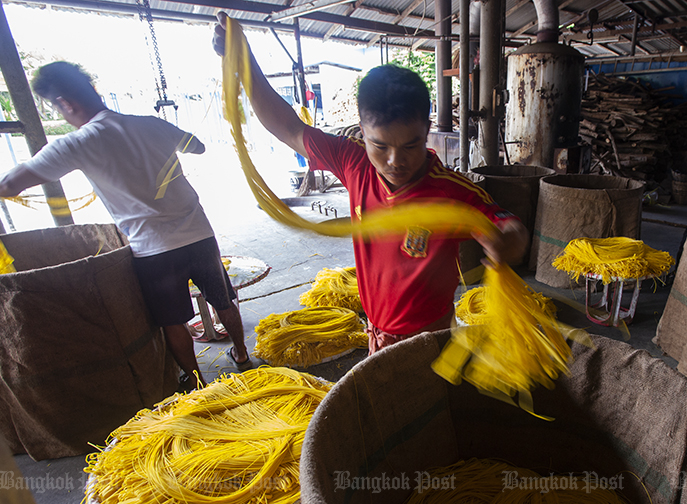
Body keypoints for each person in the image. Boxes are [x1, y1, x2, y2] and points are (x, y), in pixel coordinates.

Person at [212, 13, 527, 354]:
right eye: (381, 146)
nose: (396, 161)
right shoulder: (354, 162)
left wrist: (508, 241)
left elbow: (505, 223)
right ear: (362, 130)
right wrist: (244, 62)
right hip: (376, 334)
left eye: (411, 145)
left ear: (427, 130)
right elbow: (286, 127)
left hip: (431, 342)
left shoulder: (450, 193)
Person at [0, 61, 251, 390]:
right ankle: (241, 354)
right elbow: (197, 145)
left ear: (66, 104)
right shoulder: (150, 123)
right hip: (199, 234)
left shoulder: (76, 144)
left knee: (173, 322)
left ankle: (198, 385)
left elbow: (9, 184)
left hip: (153, 249)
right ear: (92, 90)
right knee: (223, 299)